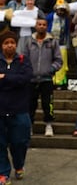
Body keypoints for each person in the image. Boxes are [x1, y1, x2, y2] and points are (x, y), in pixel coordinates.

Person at [0, 31, 33, 185]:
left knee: (19, 142)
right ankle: (3, 172)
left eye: (12, 42)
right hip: (1, 109)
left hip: (19, 109)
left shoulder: (23, 60)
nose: (10, 45)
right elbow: (18, 80)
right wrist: (14, 81)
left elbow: (25, 79)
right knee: (0, 143)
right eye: (6, 43)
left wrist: (5, 78)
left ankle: (19, 165)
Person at [21, 18, 62, 137]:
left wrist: (51, 69)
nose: (41, 26)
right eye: (39, 24)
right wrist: (27, 71)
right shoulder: (28, 41)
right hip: (31, 79)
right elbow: (23, 59)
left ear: (47, 26)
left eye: (44, 24)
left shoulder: (52, 41)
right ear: (35, 26)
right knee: (30, 104)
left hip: (47, 79)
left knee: (47, 103)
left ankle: (48, 124)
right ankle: (29, 126)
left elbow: (58, 60)